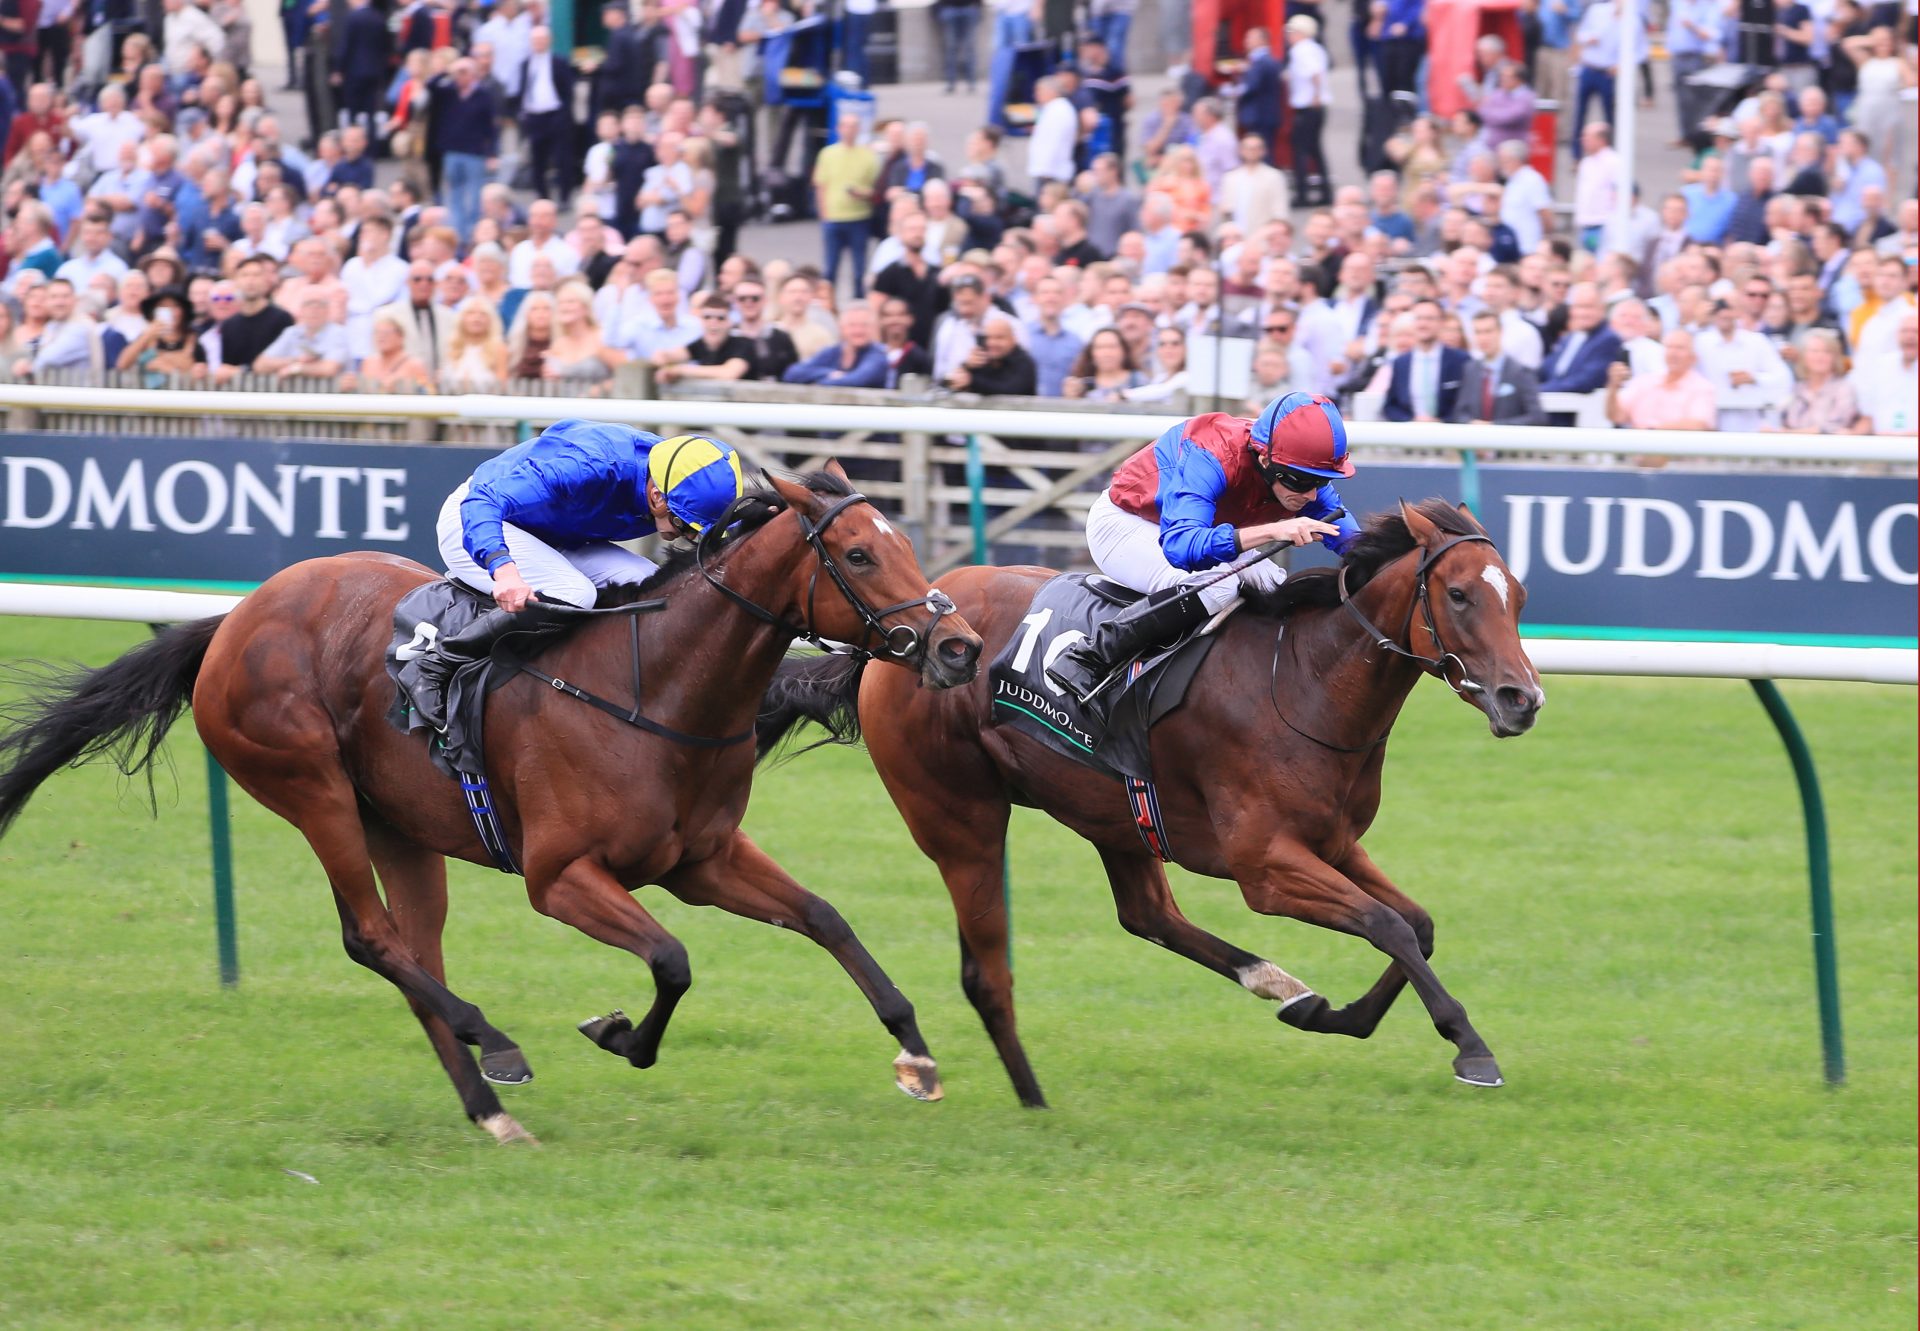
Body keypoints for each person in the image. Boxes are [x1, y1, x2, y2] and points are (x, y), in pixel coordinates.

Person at [413, 424, 750, 729]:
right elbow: (484, 502)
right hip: (479, 518)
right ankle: (439, 663)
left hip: (556, 532)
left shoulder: (680, 477)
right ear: (657, 497)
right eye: (686, 525)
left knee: (655, 589)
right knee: (575, 592)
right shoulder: (589, 466)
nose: (689, 537)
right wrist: (504, 571)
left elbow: (731, 528)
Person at [1044, 393, 1361, 702]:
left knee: (1276, 586)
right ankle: (1091, 656)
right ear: (1266, 460)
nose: (1312, 495)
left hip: (1198, 531)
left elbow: (1355, 545)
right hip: (1126, 524)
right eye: (1301, 481)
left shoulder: (1296, 467)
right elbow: (1182, 548)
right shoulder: (1211, 454)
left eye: (1321, 481)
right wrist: (1273, 530)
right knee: (1218, 586)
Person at [1604, 329, 1717, 429]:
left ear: (1693, 357)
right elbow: (1616, 416)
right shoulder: (1644, 382)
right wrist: (1613, 387)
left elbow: (1698, 424)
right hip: (1639, 444)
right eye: (1669, 347)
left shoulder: (1702, 388)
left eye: (1680, 348)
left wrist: (1651, 430)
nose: (1673, 353)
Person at [1382, 300, 1471, 421]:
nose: (1423, 324)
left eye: (1429, 319)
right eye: (1418, 318)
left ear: (1442, 322)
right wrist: (1411, 421)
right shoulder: (1400, 363)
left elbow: (1468, 405)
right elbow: (1391, 406)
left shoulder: (1461, 360)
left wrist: (1441, 422)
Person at [1453, 311, 1546, 425]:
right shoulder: (1470, 370)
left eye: (1488, 331)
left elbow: (1537, 417)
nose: (1483, 338)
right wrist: (1471, 422)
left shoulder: (1521, 372)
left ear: (1500, 332)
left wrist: (1495, 426)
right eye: (1478, 332)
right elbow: (1459, 412)